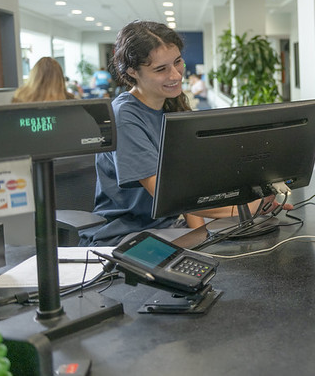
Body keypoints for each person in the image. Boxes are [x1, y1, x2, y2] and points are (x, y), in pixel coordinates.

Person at [80, 20, 286, 246]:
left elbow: (189, 185)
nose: (176, 75)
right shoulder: (125, 117)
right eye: (161, 69)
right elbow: (171, 197)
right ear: (132, 72)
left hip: (165, 229)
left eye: (177, 62)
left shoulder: (170, 104)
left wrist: (206, 238)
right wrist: (246, 207)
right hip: (125, 236)